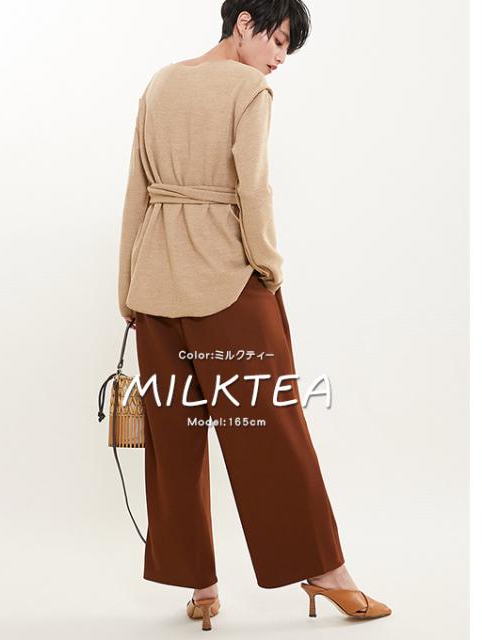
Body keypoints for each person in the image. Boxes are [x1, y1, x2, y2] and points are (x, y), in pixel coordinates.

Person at [116, 0, 391, 630]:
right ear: (244, 23)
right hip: (226, 281)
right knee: (275, 431)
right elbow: (254, 188)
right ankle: (326, 573)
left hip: (154, 286)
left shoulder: (160, 83)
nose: (279, 58)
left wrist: (127, 290)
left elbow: (136, 188)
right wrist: (268, 266)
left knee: (174, 441)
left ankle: (201, 586)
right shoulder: (249, 88)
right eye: (279, 40)